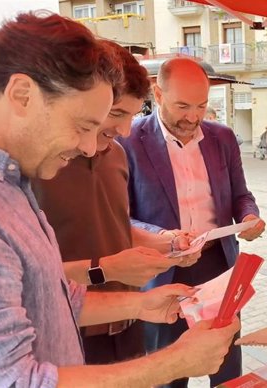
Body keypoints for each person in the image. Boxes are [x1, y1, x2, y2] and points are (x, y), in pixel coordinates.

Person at [0, 12, 239, 387]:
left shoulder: (11, 178)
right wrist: (174, 363)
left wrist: (138, 304)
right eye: (84, 126)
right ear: (22, 94)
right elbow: (13, 381)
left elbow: (52, 293)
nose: (90, 145)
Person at [31, 40, 201, 365]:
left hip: (128, 323)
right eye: (116, 113)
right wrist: (103, 270)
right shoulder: (36, 164)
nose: (125, 130)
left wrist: (168, 243)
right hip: (64, 332)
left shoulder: (118, 155)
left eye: (134, 115)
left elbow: (116, 226)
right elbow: (20, 280)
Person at [120, 57, 266, 387]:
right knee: (168, 370)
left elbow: (240, 194)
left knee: (226, 361)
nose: (193, 117)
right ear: (157, 94)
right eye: (183, 106)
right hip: (162, 270)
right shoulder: (128, 141)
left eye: (201, 105)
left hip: (219, 266)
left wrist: (248, 216)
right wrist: (163, 237)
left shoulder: (223, 138)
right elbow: (120, 218)